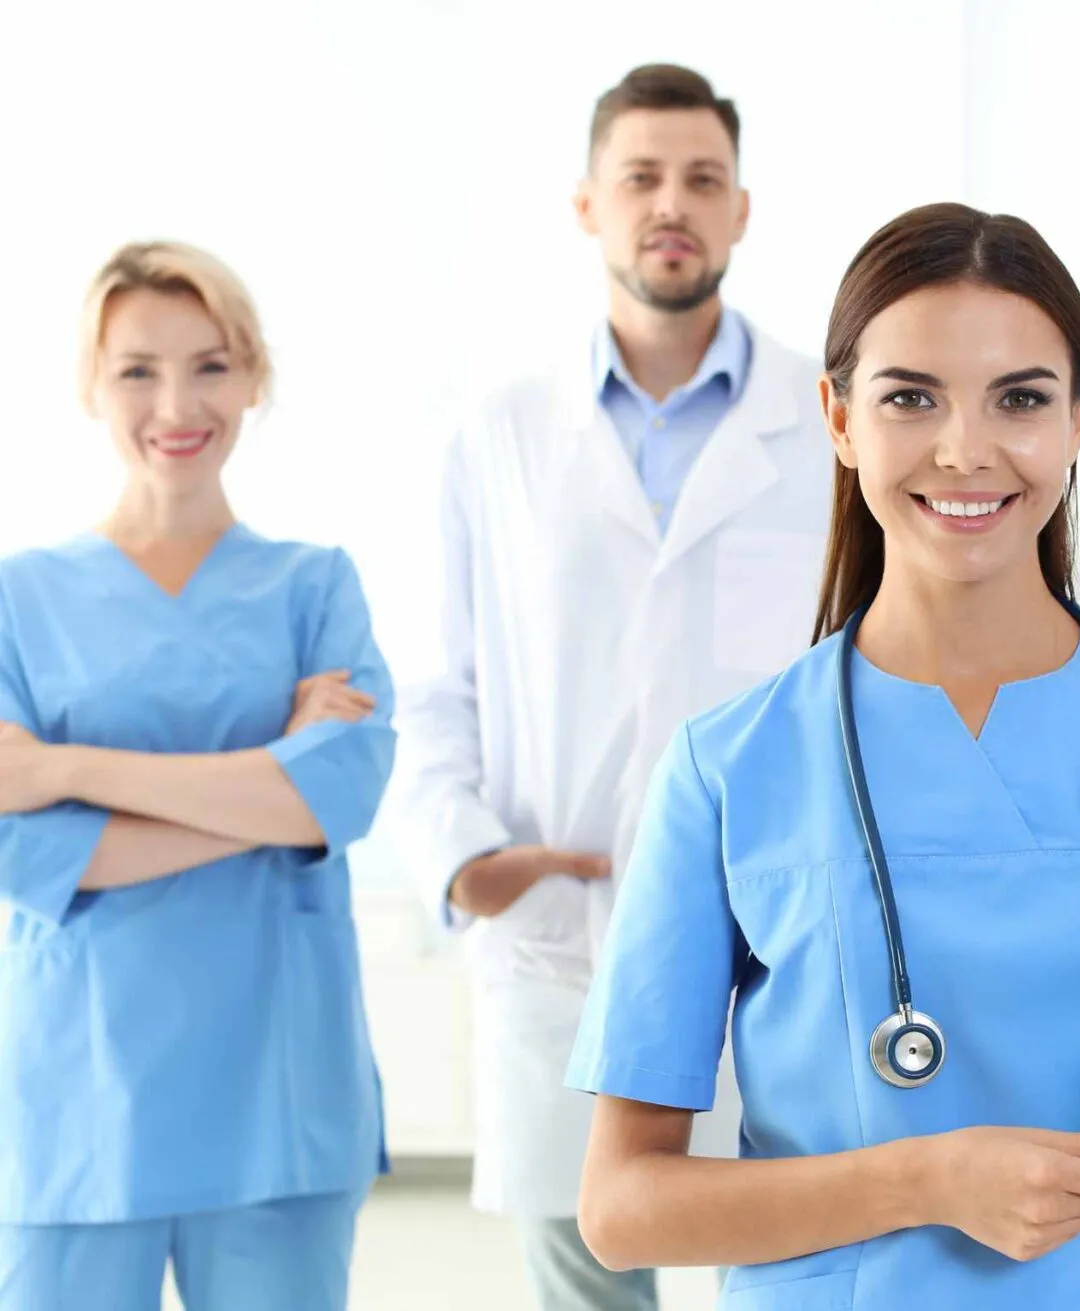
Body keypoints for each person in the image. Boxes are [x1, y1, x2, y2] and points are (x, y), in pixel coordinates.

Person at [567, 202, 1080, 1308]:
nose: (964, 449)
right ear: (836, 419)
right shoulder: (729, 768)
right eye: (909, 398)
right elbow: (622, 1207)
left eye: (1019, 398)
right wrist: (926, 1179)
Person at [385, 64, 832, 1310]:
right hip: (560, 932)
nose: (669, 204)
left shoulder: (831, 418)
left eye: (701, 178)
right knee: (585, 1275)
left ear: (742, 209)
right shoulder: (499, 437)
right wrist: (467, 859)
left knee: (795, 1252)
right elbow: (437, 686)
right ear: (587, 204)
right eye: (639, 177)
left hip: (777, 927)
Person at [0, 242, 395, 1310]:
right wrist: (272, 791)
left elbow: (342, 793)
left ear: (254, 376)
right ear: (89, 386)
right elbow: (18, 846)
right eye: (137, 369)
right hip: (80, 1101)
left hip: (278, 1092)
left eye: (211, 364)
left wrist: (67, 767)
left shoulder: (315, 586)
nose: (177, 401)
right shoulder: (19, 599)